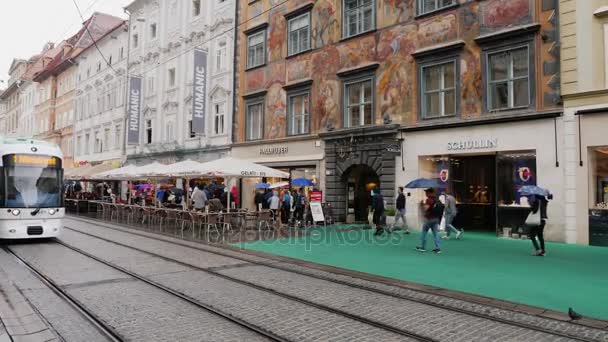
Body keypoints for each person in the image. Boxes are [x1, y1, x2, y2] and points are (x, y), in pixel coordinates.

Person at [416, 188, 442, 254]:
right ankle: (438, 248)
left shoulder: (429, 200)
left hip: (429, 219)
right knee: (436, 234)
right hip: (436, 219)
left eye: (426, 192)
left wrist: (421, 205)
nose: (426, 193)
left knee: (424, 233)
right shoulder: (436, 199)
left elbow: (425, 209)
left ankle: (423, 247)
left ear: (430, 193)